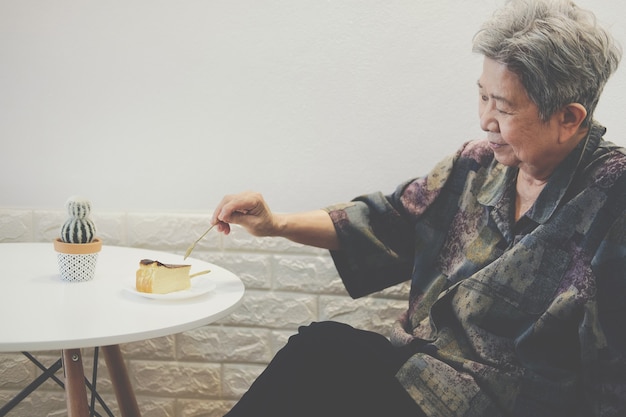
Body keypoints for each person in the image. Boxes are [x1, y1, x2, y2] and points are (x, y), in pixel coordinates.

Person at [211, 0, 625, 416]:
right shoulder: (477, 164)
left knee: (321, 358)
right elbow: (385, 221)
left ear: (569, 118)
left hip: (506, 404)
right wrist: (274, 223)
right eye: (482, 97)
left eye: (503, 107)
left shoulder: (612, 194)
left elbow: (614, 364)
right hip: (420, 376)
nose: (485, 119)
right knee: (319, 350)